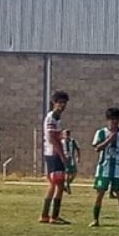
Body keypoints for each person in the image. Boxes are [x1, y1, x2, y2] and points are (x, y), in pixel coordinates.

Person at [89, 107, 119, 228]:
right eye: (112, 120)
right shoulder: (101, 132)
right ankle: (95, 219)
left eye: (116, 120)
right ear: (108, 120)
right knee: (99, 194)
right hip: (104, 169)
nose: (114, 122)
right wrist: (109, 140)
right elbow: (97, 148)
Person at [39, 91, 71, 224]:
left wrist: (61, 135)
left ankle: (45, 215)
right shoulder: (52, 117)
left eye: (64, 103)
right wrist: (62, 155)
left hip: (52, 153)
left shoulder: (56, 118)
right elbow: (52, 138)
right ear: (54, 103)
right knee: (59, 184)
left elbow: (54, 135)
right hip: (54, 153)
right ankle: (54, 216)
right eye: (60, 103)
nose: (62, 106)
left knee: (53, 184)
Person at [61, 129, 80, 194]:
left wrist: (78, 157)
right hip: (65, 159)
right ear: (63, 135)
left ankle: (66, 185)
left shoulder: (73, 141)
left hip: (71, 159)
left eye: (68, 134)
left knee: (74, 173)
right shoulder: (61, 142)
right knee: (67, 173)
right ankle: (68, 188)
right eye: (65, 135)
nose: (67, 136)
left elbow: (78, 149)